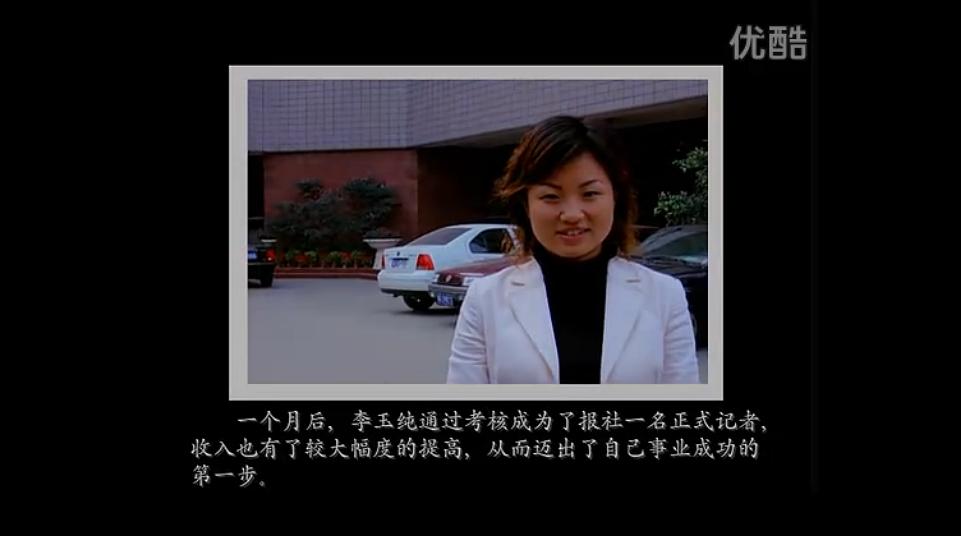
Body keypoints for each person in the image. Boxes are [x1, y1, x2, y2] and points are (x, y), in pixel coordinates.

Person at [446, 115, 699, 384]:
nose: (572, 214)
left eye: (589, 194)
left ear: (615, 197)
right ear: (526, 205)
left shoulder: (665, 296)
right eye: (550, 196)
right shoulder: (485, 299)